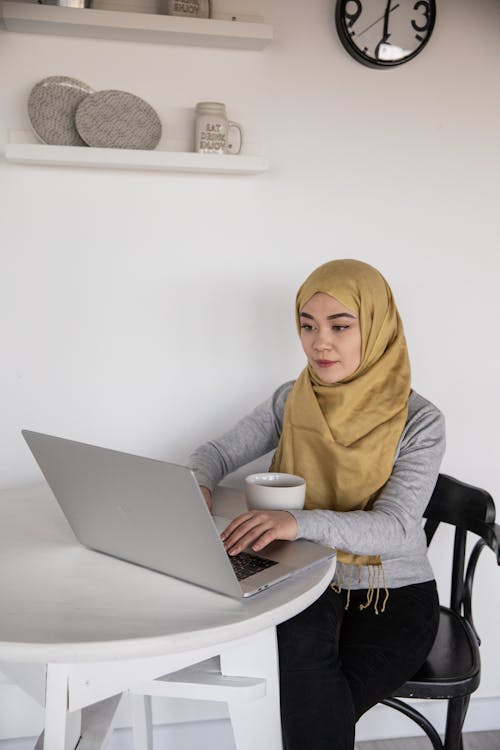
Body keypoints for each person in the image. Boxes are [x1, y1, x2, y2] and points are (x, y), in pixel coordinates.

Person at [189, 259, 444, 750]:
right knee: (306, 688)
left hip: (391, 590)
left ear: (376, 326)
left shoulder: (421, 420)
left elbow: (394, 527)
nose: (319, 342)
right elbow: (216, 453)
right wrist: (198, 483)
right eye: (307, 325)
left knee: (304, 698)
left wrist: (294, 522)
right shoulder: (293, 399)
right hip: (306, 577)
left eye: (340, 325)